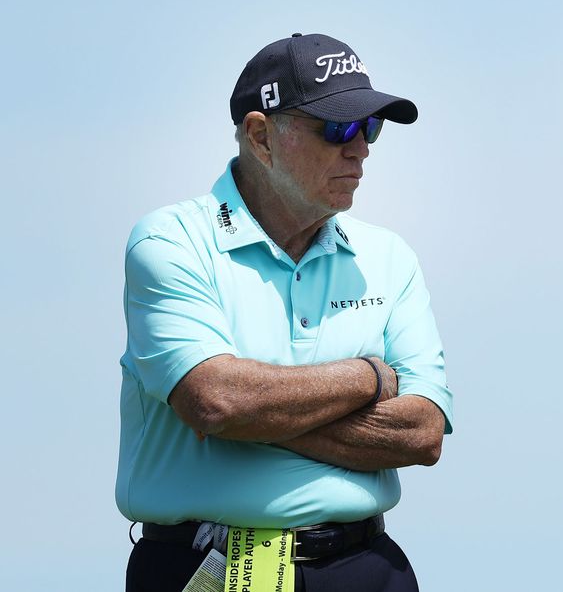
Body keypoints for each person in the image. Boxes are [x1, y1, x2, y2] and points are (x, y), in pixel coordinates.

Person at [116, 33, 454, 591]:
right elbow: (217, 400)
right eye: (337, 128)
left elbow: (422, 434)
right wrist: (367, 377)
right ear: (260, 136)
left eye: (370, 128)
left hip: (363, 564)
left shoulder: (390, 258)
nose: (361, 148)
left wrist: (253, 417)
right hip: (205, 567)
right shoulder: (170, 241)